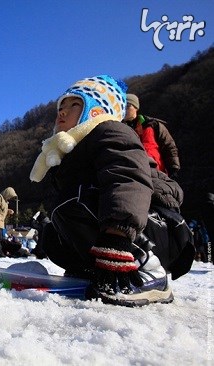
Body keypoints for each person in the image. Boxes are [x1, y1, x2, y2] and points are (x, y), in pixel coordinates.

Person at [29, 75, 193, 307]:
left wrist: (118, 238)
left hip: (155, 229)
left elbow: (127, 180)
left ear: (95, 111)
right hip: (128, 225)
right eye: (61, 107)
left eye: (75, 105)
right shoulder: (70, 152)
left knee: (75, 201)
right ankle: (94, 269)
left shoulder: (110, 131)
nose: (62, 113)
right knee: (53, 231)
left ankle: (150, 271)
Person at [123, 93, 180, 178]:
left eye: (128, 106)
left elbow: (169, 145)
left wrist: (173, 167)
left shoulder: (153, 125)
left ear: (136, 108)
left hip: (158, 172)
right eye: (122, 106)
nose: (124, 110)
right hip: (134, 173)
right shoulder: (119, 129)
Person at [0, 187, 17, 257]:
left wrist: (9, 211)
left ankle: (0, 251)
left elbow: (3, 209)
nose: (10, 198)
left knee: (0, 238)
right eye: (10, 196)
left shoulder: (5, 201)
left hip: (1, 223)